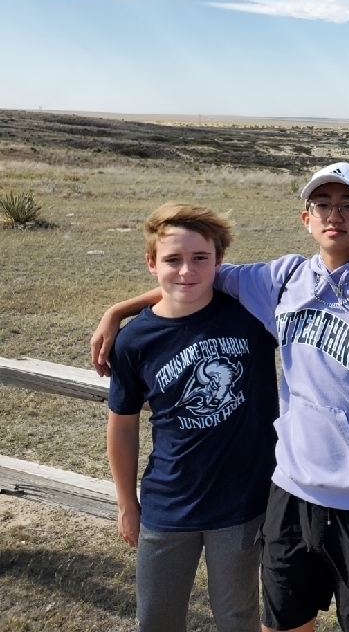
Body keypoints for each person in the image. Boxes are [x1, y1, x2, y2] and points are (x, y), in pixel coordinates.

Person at [94, 162, 349, 632]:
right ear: (306, 218)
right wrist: (118, 309)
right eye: (321, 205)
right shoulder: (283, 280)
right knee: (281, 623)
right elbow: (192, 274)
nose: (333, 215)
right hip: (289, 494)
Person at [105, 203, 279, 632]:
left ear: (219, 263)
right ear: (151, 263)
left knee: (237, 618)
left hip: (242, 502)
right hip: (168, 503)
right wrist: (128, 503)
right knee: (157, 618)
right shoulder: (135, 341)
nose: (186, 270)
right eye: (172, 260)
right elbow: (123, 425)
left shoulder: (253, 316)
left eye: (200, 258)